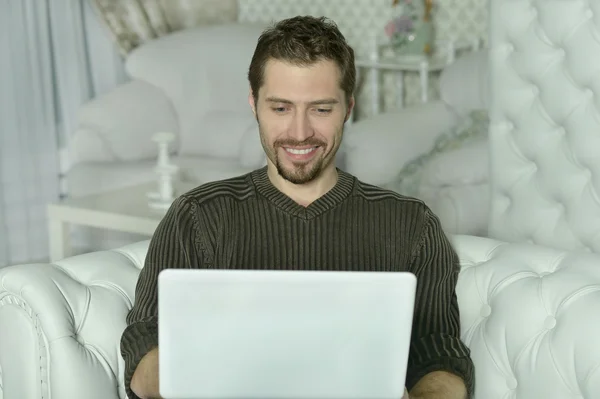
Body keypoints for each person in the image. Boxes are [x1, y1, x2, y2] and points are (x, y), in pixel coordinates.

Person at [120, 15, 475, 399]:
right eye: (281, 108)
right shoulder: (197, 216)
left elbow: (439, 355)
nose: (300, 132)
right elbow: (145, 351)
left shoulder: (411, 224)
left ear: (348, 107)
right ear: (254, 104)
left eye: (321, 109)